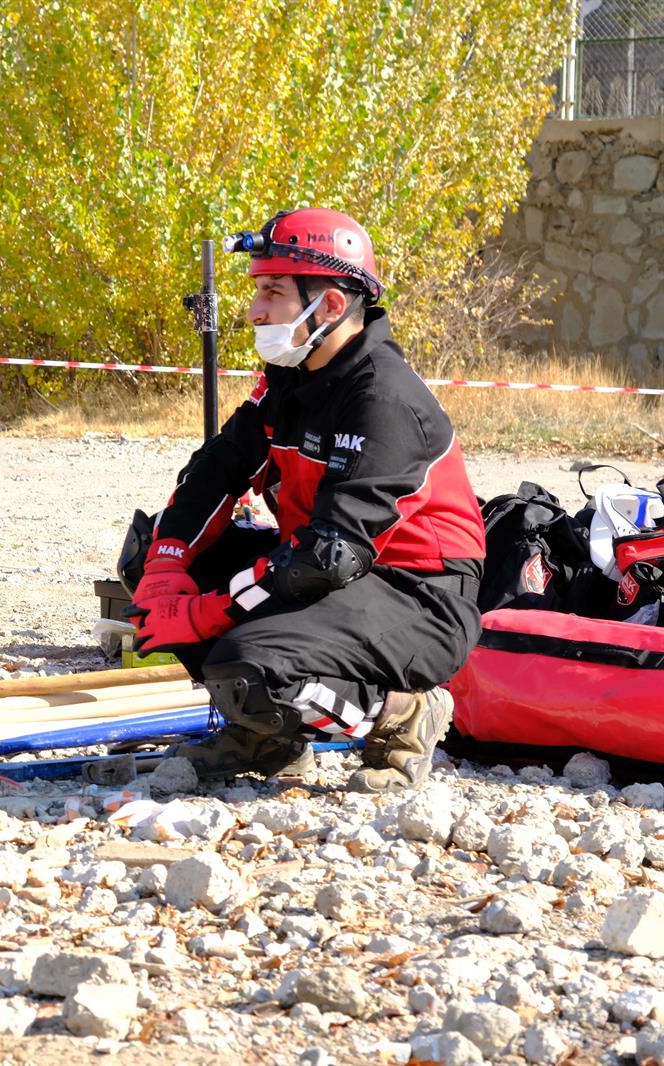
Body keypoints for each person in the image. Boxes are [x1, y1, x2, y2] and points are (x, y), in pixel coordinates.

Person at [122, 207, 486, 793]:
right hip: (323, 564)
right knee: (147, 557)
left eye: (272, 292)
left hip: (418, 596)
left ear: (331, 305)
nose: (254, 311)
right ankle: (268, 736)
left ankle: (403, 714)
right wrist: (167, 564)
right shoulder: (291, 376)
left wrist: (204, 612)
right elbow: (219, 467)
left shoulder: (383, 401)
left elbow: (329, 556)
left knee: (247, 663)